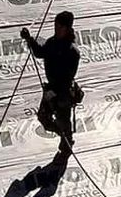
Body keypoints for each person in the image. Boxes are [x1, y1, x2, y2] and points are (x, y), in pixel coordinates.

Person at [20, 11, 80, 153]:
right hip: (51, 88)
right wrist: (29, 39)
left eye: (59, 27)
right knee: (43, 118)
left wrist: (54, 92)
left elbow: (68, 77)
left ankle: (66, 143)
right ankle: (64, 135)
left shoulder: (72, 51)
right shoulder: (52, 42)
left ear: (67, 28)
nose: (56, 29)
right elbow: (40, 53)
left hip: (63, 92)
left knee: (63, 120)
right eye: (55, 26)